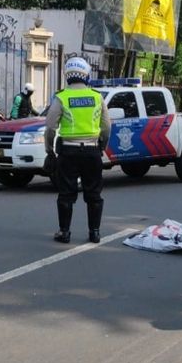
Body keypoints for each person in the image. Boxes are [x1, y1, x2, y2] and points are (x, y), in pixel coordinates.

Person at [44, 57, 110, 244]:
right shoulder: (97, 97)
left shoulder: (62, 97)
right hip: (92, 151)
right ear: (86, 75)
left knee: (66, 193)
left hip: (68, 152)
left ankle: (64, 232)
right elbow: (106, 126)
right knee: (94, 193)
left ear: (67, 75)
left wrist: (49, 149)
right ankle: (94, 232)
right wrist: (102, 145)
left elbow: (50, 127)